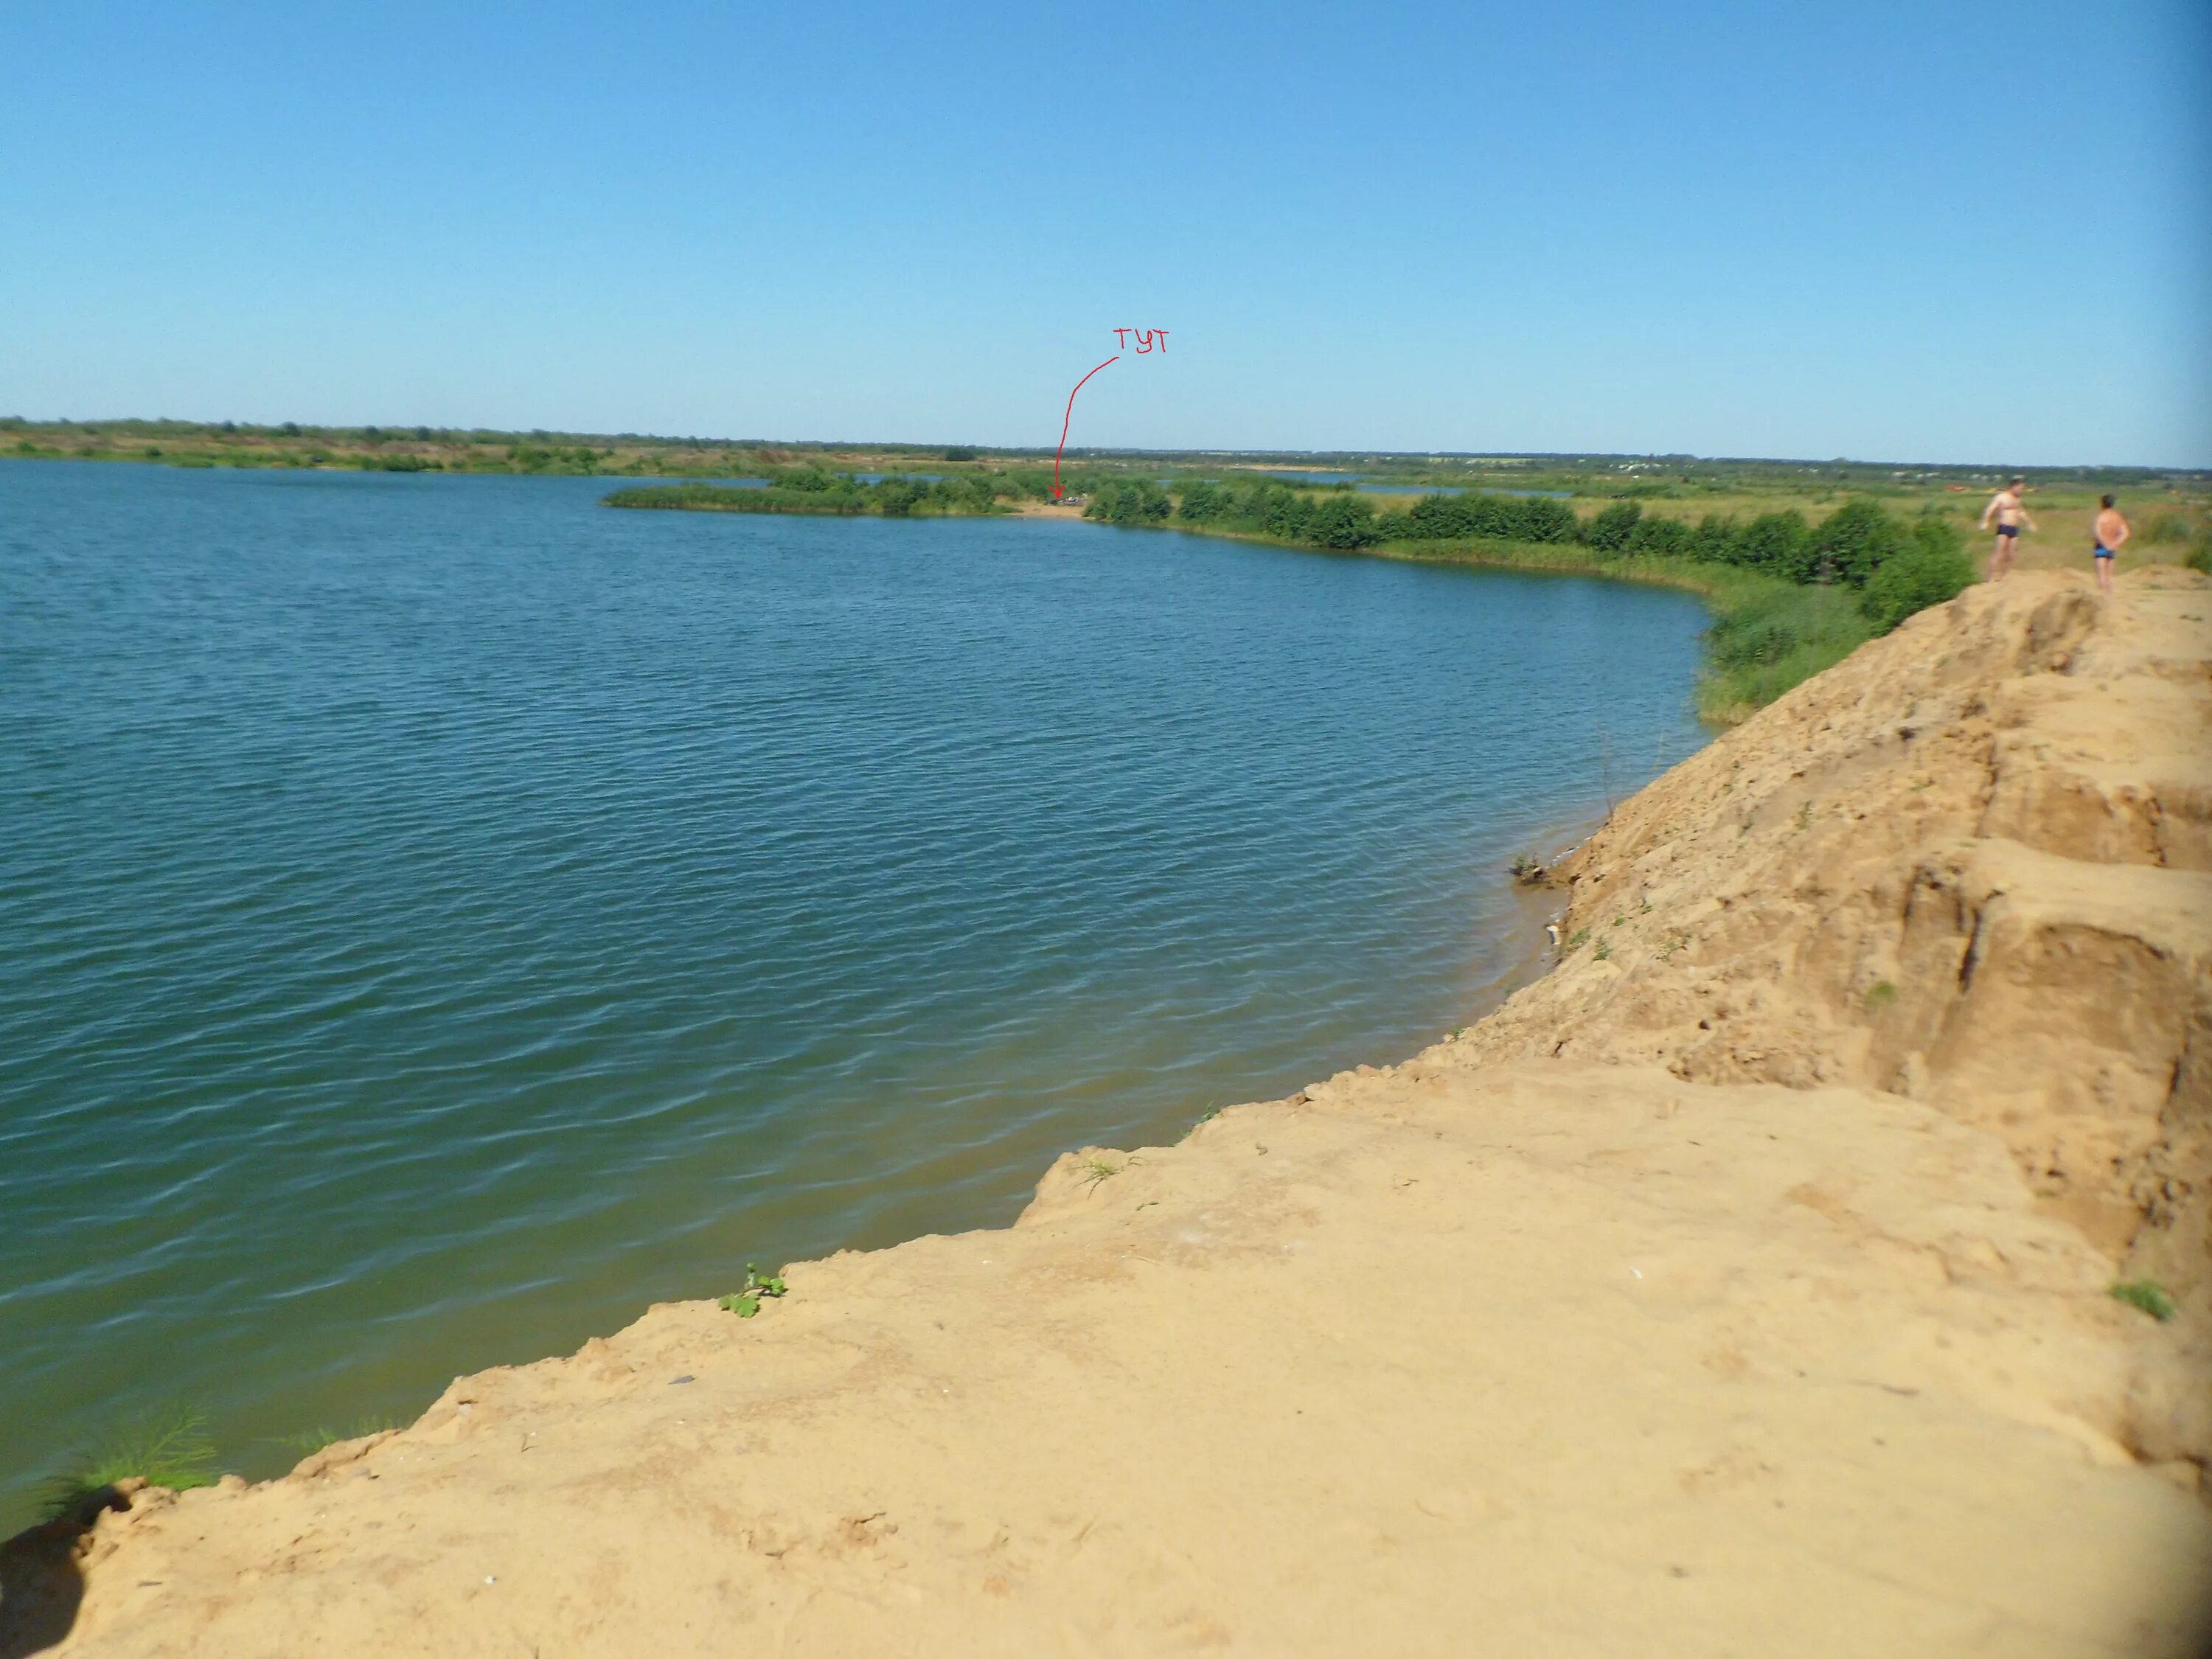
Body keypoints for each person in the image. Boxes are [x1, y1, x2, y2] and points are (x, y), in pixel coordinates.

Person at [1978, 478, 2036, 580]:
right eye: (2020, 488)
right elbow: (1990, 509)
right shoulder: (2001, 497)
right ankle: (1991, 577)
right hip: (2004, 527)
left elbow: (2020, 512)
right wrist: (1985, 522)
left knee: (2011, 555)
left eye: (2023, 488)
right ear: (2013, 487)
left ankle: (2005, 577)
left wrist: (2029, 523)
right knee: (1999, 553)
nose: (2021, 490)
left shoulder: (2018, 499)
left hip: (2014, 528)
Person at [2092, 493, 2129, 597]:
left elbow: (2097, 532)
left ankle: (2103, 598)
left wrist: (2105, 544)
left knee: (2102, 574)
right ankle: (2110, 596)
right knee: (2110, 575)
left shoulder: (2101, 517)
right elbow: (2125, 533)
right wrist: (2115, 543)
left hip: (2101, 547)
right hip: (2112, 547)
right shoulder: (2117, 517)